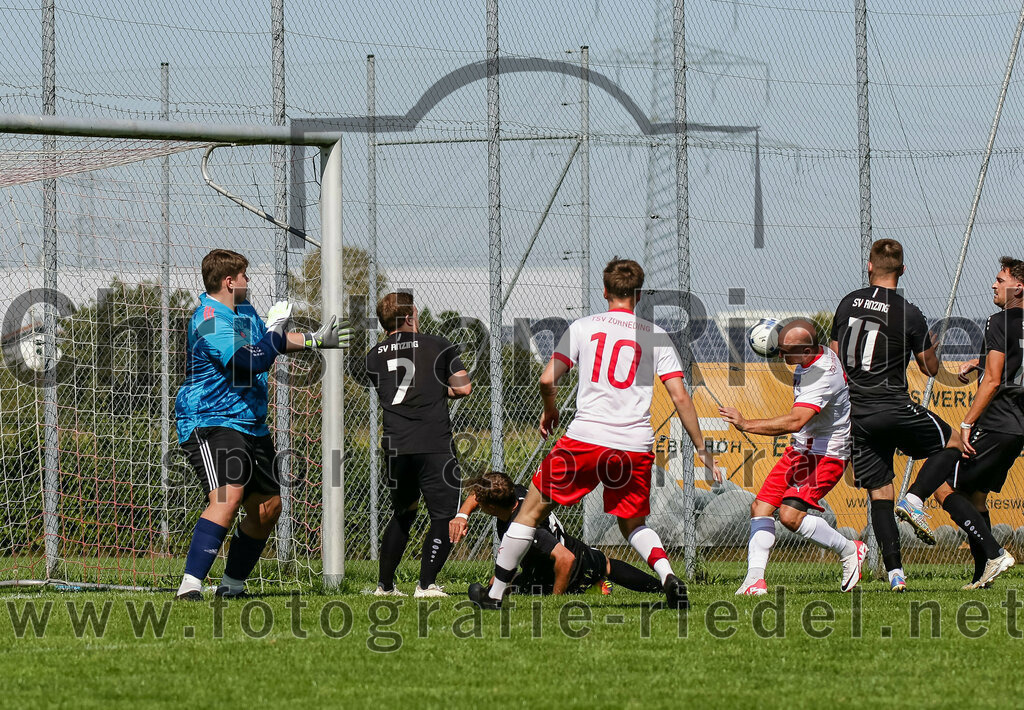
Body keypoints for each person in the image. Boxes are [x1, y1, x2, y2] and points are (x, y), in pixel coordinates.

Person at [468, 258, 718, 611]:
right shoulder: (656, 336)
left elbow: (546, 378)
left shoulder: (584, 327)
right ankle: (668, 578)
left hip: (586, 439)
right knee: (633, 524)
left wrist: (550, 408)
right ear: (639, 294)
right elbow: (679, 395)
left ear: (604, 291)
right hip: (634, 446)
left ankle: (493, 595)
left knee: (530, 511)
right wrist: (702, 448)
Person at [175, 249, 350, 600]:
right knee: (228, 494)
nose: (248, 281)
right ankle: (190, 585)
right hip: (211, 419)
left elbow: (269, 345)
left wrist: (316, 340)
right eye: (244, 276)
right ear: (229, 281)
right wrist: (272, 332)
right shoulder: (207, 318)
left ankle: (232, 586)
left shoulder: (244, 312)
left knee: (269, 508)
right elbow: (246, 361)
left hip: (252, 424)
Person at [830, 239, 959, 592]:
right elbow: (930, 368)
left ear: (869, 267)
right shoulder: (909, 312)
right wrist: (929, 342)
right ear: (902, 270)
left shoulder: (847, 303)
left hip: (858, 411)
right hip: (892, 404)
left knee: (878, 493)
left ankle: (895, 574)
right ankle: (915, 498)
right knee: (952, 441)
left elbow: (834, 357)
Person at [896, 257, 1023, 588]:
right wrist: (979, 362)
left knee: (944, 484)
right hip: (1017, 427)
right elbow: (1009, 364)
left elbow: (995, 381)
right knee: (975, 496)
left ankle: (994, 552)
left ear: (1018, 287)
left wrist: (967, 422)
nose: (994, 285)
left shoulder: (999, 321)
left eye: (1000, 280)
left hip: (995, 421)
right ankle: (984, 574)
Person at [721, 319, 867, 596]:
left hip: (826, 455)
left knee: (789, 516)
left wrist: (746, 424)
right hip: (801, 450)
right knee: (760, 508)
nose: (779, 356)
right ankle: (755, 580)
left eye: (784, 351)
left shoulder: (821, 374)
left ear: (805, 351)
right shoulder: (812, 354)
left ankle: (850, 549)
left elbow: (796, 421)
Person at [365, 292, 471, 598]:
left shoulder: (373, 355)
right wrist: (441, 392)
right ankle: (426, 585)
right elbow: (463, 388)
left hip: (395, 445)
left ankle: (384, 586)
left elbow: (395, 390)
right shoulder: (438, 345)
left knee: (404, 511)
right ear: (410, 315)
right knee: (443, 515)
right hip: (433, 442)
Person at [452, 471, 663, 596]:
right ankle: (596, 584)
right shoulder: (513, 493)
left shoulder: (524, 527)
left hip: (573, 564)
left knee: (603, 566)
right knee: (495, 584)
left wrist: (556, 600)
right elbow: (479, 492)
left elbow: (565, 558)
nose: (476, 503)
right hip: (547, 562)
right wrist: (462, 515)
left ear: (491, 508)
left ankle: (658, 587)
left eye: (481, 504)